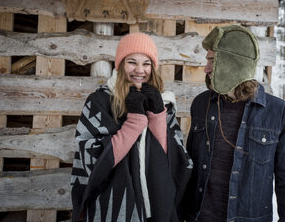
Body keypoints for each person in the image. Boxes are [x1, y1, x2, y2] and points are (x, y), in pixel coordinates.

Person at [179, 25, 285, 222]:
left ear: (232, 63)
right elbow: (190, 167)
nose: (206, 68)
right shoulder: (201, 104)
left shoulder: (279, 112)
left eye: (212, 61)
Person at [71, 32, 193, 222]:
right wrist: (134, 122)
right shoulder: (100, 101)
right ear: (119, 65)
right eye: (132, 62)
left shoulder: (163, 103)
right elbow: (90, 157)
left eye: (146, 64)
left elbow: (173, 158)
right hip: (114, 206)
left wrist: (157, 115)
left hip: (156, 203)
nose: (139, 70)